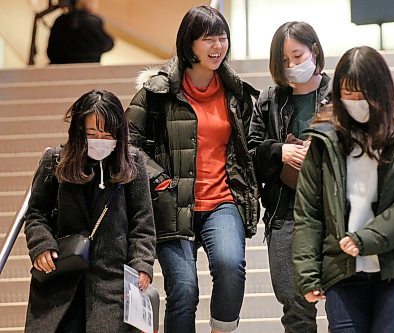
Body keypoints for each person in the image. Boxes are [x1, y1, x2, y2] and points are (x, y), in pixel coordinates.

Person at [125, 5, 260, 333]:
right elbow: (128, 143)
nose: (218, 46)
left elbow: (247, 148)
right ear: (189, 43)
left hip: (221, 201)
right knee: (184, 290)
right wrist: (158, 177)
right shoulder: (156, 92)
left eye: (223, 38)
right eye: (209, 39)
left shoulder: (236, 94)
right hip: (170, 202)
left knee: (231, 266)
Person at [292, 45, 394, 333]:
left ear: (381, 91)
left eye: (361, 94)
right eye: (347, 93)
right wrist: (308, 274)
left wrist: (366, 239)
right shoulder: (325, 141)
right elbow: (308, 212)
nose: (354, 101)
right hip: (343, 267)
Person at [24, 89, 156, 332]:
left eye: (108, 134)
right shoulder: (55, 161)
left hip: (113, 281)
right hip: (61, 278)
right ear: (78, 131)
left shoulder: (133, 162)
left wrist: (142, 264)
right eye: (92, 133)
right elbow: (36, 214)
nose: (100, 140)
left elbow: (143, 224)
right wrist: (42, 245)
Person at [248, 21, 332, 333]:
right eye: (284, 61)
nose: (292, 65)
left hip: (333, 212)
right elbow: (250, 154)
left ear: (315, 51)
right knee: (295, 307)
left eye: (297, 56)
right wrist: (279, 151)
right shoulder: (269, 100)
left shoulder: (338, 93)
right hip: (285, 212)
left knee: (341, 303)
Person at [47, 0, 114, 64]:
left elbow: (51, 53)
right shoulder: (93, 22)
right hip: (89, 71)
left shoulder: (60, 21)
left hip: (59, 72)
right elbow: (107, 45)